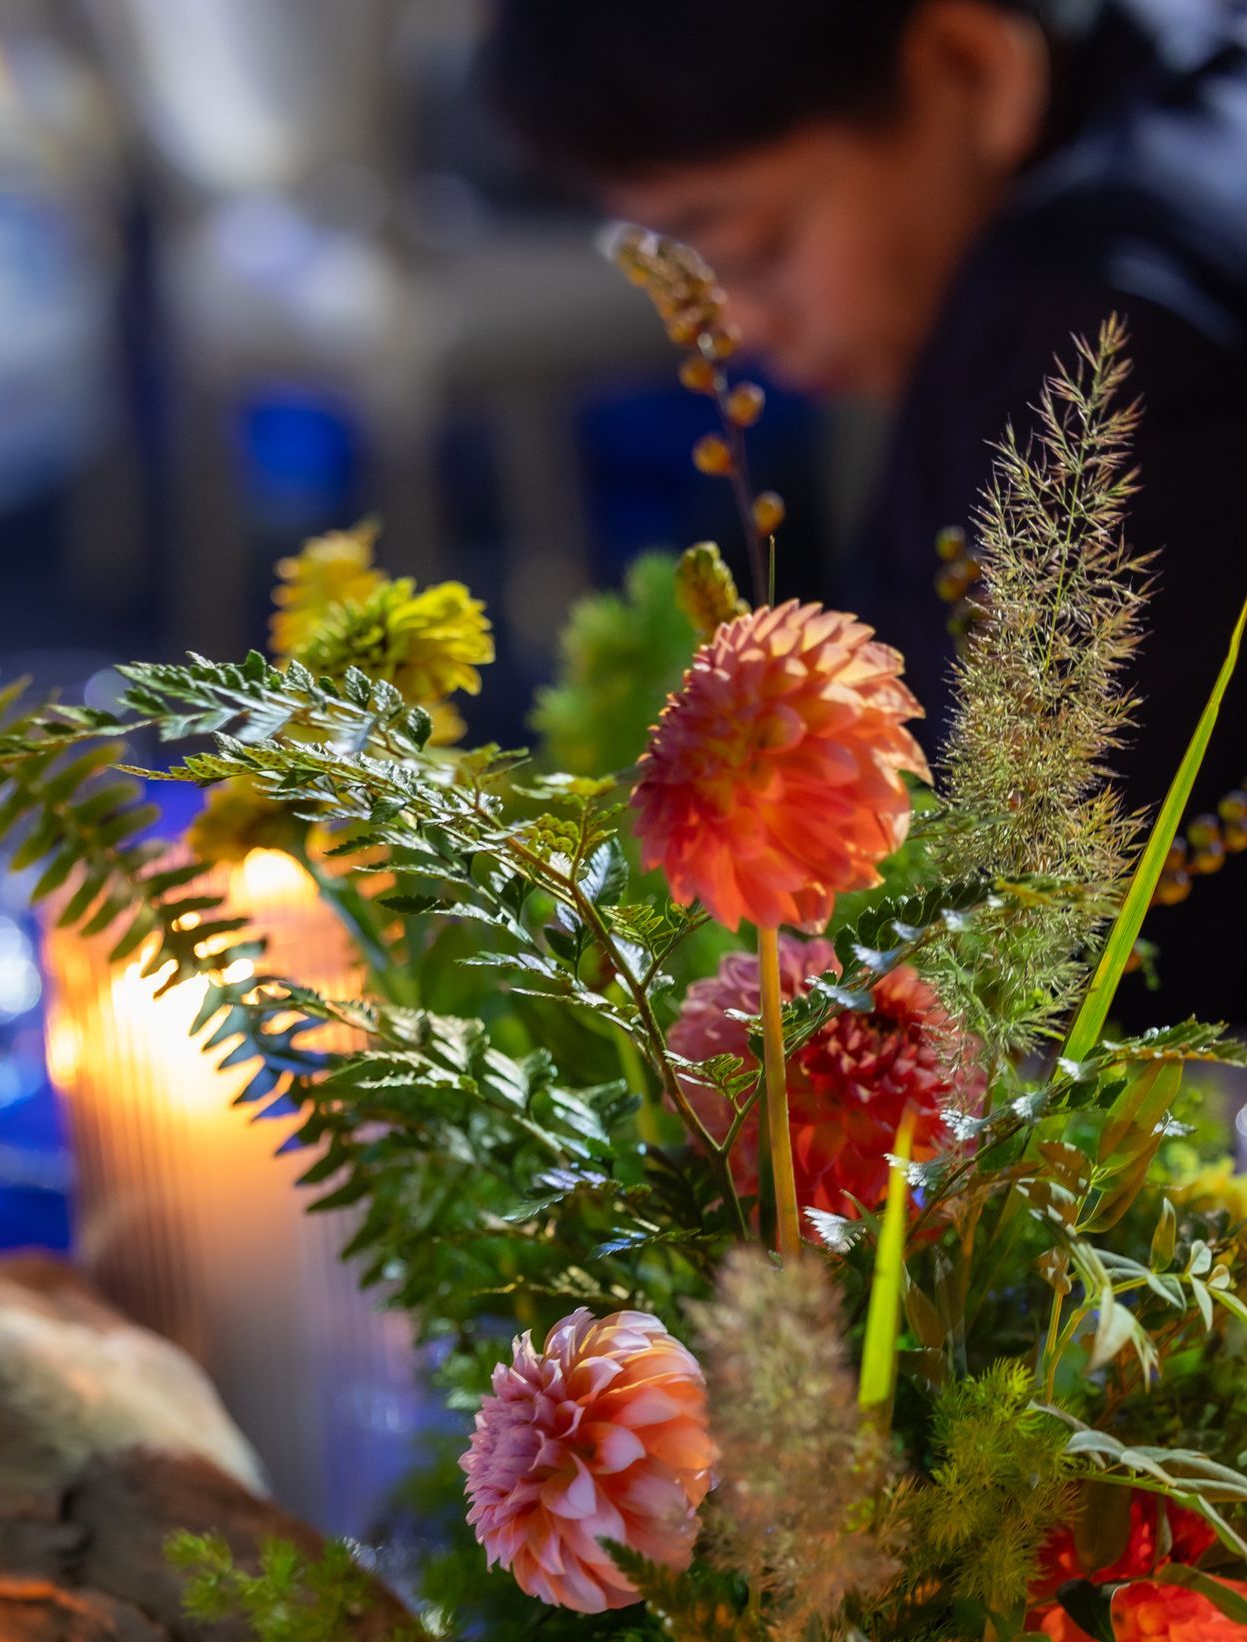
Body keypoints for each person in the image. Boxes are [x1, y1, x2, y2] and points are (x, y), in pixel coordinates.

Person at [486, 0, 1247, 1021]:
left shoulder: (1090, 343)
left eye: (755, 247)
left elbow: (1040, 966)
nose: (740, 324)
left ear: (965, 64)